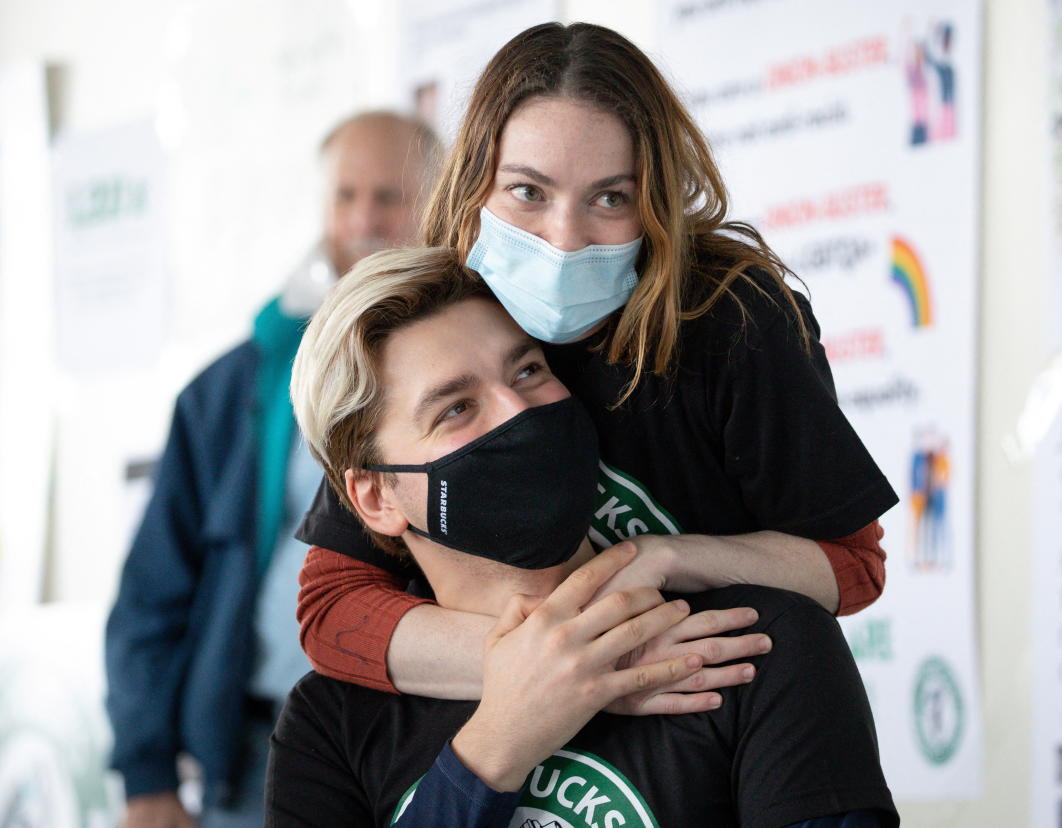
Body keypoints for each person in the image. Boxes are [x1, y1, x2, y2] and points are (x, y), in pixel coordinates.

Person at [294, 21, 898, 715]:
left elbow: (852, 566)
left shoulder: (732, 321)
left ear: (655, 202)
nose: (564, 237)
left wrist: (669, 558)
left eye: (610, 198)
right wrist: (571, 671)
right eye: (527, 192)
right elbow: (331, 609)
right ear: (473, 187)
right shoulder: (438, 317)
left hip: (720, 728)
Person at [268, 246, 899, 827]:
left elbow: (855, 562)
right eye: (456, 408)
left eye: (528, 371)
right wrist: (492, 752)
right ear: (376, 497)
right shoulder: (329, 723)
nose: (520, 413)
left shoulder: (748, 646)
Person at [104, 111, 441, 828]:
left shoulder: (484, 379)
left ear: (440, 204)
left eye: (390, 196)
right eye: (345, 196)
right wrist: (146, 774)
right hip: (254, 755)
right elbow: (151, 593)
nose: (365, 218)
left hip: (417, 748)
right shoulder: (234, 389)